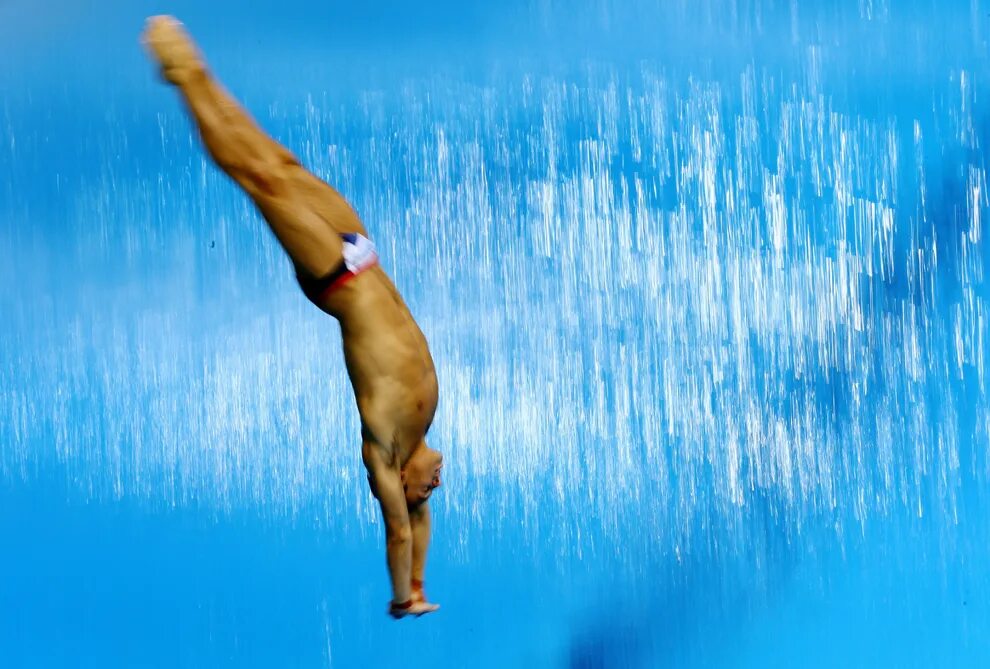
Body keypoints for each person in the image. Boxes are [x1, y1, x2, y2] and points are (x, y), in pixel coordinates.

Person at [141, 15, 444, 619]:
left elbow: (400, 532)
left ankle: (182, 78)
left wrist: (405, 595)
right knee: (280, 162)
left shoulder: (384, 453)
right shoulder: (421, 436)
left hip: (336, 278)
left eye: (422, 494)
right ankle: (203, 75)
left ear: (401, 492)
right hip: (364, 254)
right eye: (429, 491)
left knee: (259, 182)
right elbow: (422, 532)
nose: (436, 485)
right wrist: (421, 579)